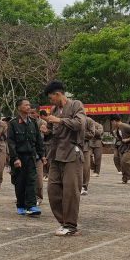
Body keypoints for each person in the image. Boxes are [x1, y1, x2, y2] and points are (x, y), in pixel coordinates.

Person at [43, 81, 85, 236]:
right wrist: (46, 131)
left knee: (70, 192)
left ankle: (71, 226)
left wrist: (59, 120)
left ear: (58, 94)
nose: (51, 101)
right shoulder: (54, 110)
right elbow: (52, 130)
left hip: (72, 154)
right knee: (52, 190)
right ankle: (63, 222)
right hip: (56, 154)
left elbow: (80, 123)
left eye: (51, 98)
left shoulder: (76, 105)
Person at [7, 99, 46, 216]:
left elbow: (38, 140)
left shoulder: (32, 122)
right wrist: (15, 158)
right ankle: (20, 205)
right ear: (19, 108)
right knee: (20, 181)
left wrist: (42, 155)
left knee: (31, 180)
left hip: (31, 156)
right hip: (19, 156)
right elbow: (11, 142)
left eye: (29, 105)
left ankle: (31, 205)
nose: (28, 107)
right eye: (26, 105)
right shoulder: (13, 123)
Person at [111, 115, 130, 184]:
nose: (112, 124)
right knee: (122, 162)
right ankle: (124, 179)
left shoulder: (124, 126)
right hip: (123, 147)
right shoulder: (117, 128)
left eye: (112, 122)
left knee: (125, 161)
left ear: (114, 121)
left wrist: (128, 139)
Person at [30, 104, 46, 205]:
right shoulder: (26, 122)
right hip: (27, 153)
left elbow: (44, 138)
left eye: (33, 113)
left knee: (38, 177)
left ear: (38, 113)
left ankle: (38, 197)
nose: (31, 115)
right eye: (29, 113)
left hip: (38, 153)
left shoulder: (43, 123)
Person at [80, 116, 98, 195]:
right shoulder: (69, 119)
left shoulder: (88, 120)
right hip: (70, 147)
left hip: (85, 146)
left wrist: (80, 132)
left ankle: (84, 186)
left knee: (85, 167)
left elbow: (91, 134)